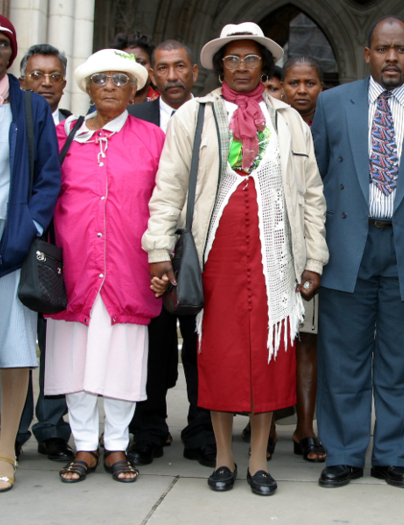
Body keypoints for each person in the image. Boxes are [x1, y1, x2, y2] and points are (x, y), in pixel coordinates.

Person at [142, 22, 328, 496]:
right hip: (216, 257)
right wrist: (159, 248)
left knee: (270, 355)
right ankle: (224, 458)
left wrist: (314, 259)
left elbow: (311, 195)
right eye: (232, 59)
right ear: (219, 65)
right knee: (219, 356)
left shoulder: (288, 119)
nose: (242, 68)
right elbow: (168, 189)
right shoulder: (194, 116)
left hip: (275, 256)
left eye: (251, 59)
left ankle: (259, 460)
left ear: (265, 66)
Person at [311, 15, 404, 490]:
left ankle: (396, 455)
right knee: (342, 357)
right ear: (367, 54)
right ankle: (345, 454)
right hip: (346, 248)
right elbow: (313, 180)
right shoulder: (332, 104)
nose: (391, 57)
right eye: (382, 49)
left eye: (401, 49)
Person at [44, 49, 165, 484]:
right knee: (75, 359)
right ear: (87, 88)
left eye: (120, 79)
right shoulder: (62, 136)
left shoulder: (153, 138)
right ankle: (83, 446)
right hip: (73, 268)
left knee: (122, 360)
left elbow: (166, 202)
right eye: (100, 79)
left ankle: (116, 446)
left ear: (134, 89)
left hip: (128, 268)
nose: (110, 86)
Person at [125, 40, 218, 468]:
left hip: (201, 247)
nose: (173, 76)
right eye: (163, 68)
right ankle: (149, 428)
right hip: (150, 248)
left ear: (193, 73)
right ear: (153, 76)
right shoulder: (134, 118)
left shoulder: (212, 114)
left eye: (181, 66)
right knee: (153, 343)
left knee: (200, 343)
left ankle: (200, 430)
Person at [0, 14, 61, 493]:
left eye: (3, 44)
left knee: (14, 345)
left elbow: (48, 181)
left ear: (11, 54)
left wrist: (28, 228)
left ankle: (3, 452)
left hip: (10, 238)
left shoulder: (29, 108)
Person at [282, 55, 326, 463]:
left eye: (309, 82)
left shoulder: (329, 124)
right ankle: (258, 417)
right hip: (278, 246)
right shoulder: (271, 123)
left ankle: (305, 428)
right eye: (293, 82)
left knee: (309, 340)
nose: (301, 90)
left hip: (318, 248)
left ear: (320, 87)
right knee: (272, 338)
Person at [110, 32, 159, 104]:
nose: (134, 68)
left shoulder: (163, 105)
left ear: (152, 69)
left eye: (141, 62)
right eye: (126, 62)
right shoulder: (105, 103)